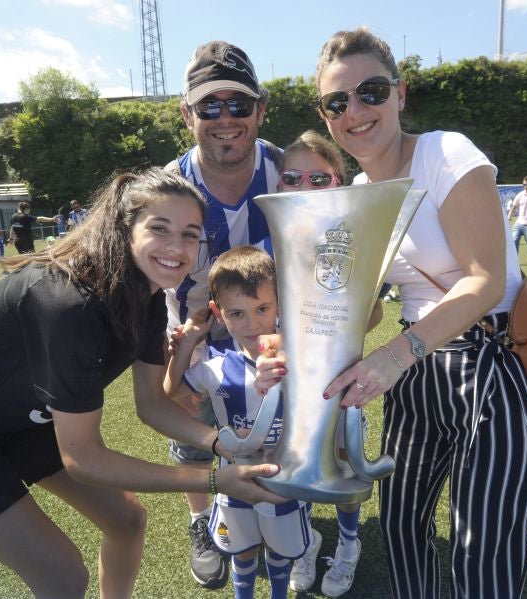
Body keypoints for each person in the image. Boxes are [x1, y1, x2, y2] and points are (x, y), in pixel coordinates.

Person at [0, 168, 283, 598]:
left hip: (17, 420)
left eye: (189, 234)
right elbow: (84, 458)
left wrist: (223, 443)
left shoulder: (145, 295)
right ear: (125, 230)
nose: (176, 248)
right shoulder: (70, 304)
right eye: (159, 229)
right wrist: (215, 481)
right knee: (64, 577)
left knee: (126, 520)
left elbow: (152, 404)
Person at [258, 28, 527, 598]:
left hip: (494, 365)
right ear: (326, 116)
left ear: (401, 93)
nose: (356, 111)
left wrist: (393, 359)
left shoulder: (447, 152)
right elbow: (362, 310)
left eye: (370, 91)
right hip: (419, 373)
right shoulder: (364, 188)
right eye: (337, 102)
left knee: (482, 550)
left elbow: (486, 280)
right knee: (399, 529)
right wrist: (304, 350)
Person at [164, 39, 282, 590]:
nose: (225, 118)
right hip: (195, 335)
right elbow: (141, 281)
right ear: (188, 115)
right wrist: (167, 357)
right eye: (209, 106)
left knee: (279, 431)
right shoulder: (168, 186)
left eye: (238, 104)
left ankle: (287, 509)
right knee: (193, 434)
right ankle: (199, 522)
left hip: (269, 331)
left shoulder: (288, 172)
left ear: (260, 109)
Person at [165, 246, 311, 599]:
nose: (253, 324)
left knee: (279, 554)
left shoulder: (302, 359)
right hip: (233, 484)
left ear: (279, 304)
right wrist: (188, 342)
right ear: (218, 313)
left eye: (263, 308)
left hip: (286, 484)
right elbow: (171, 391)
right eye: (238, 313)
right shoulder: (215, 366)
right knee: (242, 552)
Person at [275, 130, 366, 597]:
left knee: (344, 461)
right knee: (296, 459)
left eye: (318, 178)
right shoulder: (277, 235)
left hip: (340, 375)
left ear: (338, 182)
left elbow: (372, 314)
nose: (304, 187)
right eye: (292, 177)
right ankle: (307, 543)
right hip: (293, 377)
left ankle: (348, 545)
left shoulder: (354, 231)